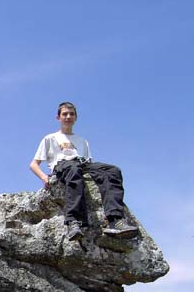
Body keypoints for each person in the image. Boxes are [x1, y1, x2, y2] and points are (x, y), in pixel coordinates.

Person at [29, 101, 138, 241]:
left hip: (83, 164)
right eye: (65, 114)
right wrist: (45, 178)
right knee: (73, 170)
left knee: (112, 170)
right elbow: (33, 164)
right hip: (63, 165)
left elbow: (89, 162)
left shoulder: (82, 141)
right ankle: (74, 222)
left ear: (76, 117)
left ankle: (115, 220)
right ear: (58, 118)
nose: (68, 117)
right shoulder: (50, 138)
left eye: (71, 114)